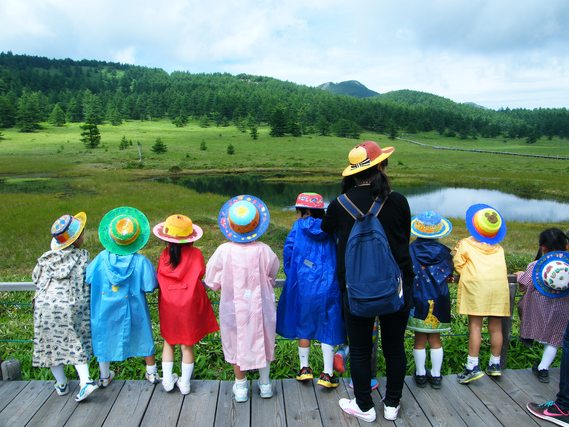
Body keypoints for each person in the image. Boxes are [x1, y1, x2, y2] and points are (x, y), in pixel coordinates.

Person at [321, 141, 413, 423]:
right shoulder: (398, 201)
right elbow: (404, 237)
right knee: (394, 346)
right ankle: (392, 405)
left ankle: (364, 406)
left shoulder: (340, 204)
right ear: (380, 167)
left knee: (360, 350)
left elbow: (326, 230)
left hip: (355, 289)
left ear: (353, 174)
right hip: (397, 287)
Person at [205, 195, 279, 403]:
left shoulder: (223, 250)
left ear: (230, 225)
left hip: (232, 307)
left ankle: (240, 387)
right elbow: (273, 272)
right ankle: (265, 385)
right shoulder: (264, 250)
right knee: (263, 338)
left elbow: (211, 279)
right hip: (261, 306)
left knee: (235, 341)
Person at [276, 192, 345, 388]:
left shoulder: (298, 227)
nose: (297, 216)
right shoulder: (331, 228)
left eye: (298, 212)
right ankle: (327, 373)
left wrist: (293, 274)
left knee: (303, 325)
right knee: (328, 326)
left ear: (305, 211)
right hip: (330, 286)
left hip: (304, 286)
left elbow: (288, 251)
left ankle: (305, 368)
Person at [86, 207, 159, 388]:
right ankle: (151, 372)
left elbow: (88, 277)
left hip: (105, 307)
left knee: (103, 335)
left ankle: (104, 376)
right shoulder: (140, 261)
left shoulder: (100, 259)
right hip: (134, 307)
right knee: (143, 334)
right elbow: (150, 286)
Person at [32, 212, 99, 402]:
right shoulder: (82, 256)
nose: (84, 238)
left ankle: (61, 384)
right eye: (82, 235)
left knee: (51, 343)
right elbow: (88, 278)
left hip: (44, 305)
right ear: (76, 239)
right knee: (74, 340)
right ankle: (85, 381)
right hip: (69, 306)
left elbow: (35, 278)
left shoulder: (46, 258)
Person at [153, 214, 219, 394]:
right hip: (189, 302)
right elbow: (200, 273)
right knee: (187, 344)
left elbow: (160, 273)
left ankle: (167, 381)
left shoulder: (165, 254)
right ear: (189, 237)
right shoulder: (196, 253)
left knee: (169, 341)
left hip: (168, 302)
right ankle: (185, 384)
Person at [453, 204, 509, 384]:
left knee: (475, 327)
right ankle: (495, 365)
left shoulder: (465, 244)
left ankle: (472, 366)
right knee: (496, 328)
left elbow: (458, 265)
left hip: (476, 287)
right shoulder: (498, 248)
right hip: (499, 288)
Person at [407, 211, 454, 390]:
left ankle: (420, 374)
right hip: (439, 298)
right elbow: (449, 273)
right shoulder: (444, 252)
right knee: (435, 339)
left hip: (418, 298)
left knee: (419, 338)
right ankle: (436, 375)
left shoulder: (411, 249)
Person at [515, 229, 569, 383]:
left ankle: (528, 337)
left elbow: (524, 284)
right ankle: (543, 369)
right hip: (563, 310)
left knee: (533, 320)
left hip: (539, 311)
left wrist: (519, 275)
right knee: (555, 339)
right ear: (566, 246)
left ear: (542, 248)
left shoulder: (535, 266)